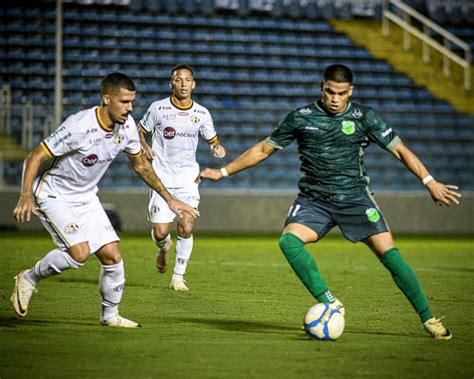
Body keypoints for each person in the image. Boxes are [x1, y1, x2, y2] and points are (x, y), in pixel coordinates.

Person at [198, 64, 461, 340]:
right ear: (321, 87)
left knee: (389, 254)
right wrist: (223, 171)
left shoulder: (364, 117)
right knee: (289, 241)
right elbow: (263, 150)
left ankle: (428, 318)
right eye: (330, 92)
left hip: (355, 198)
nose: (335, 99)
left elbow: (401, 151)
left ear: (351, 91)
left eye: (342, 93)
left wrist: (429, 181)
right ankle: (330, 301)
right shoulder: (301, 118)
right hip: (314, 200)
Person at [11, 72, 199, 328]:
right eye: (123, 102)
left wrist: (170, 199)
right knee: (79, 253)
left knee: (112, 256)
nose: (129, 108)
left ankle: (109, 316)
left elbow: (142, 167)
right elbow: (35, 157)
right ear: (106, 99)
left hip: (87, 197)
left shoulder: (128, 127)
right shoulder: (79, 125)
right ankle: (29, 279)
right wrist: (25, 196)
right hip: (55, 194)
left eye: (131, 102)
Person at [138, 63, 225, 291]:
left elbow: (212, 140)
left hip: (188, 179)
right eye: (179, 79)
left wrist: (217, 147)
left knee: (186, 226)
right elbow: (139, 131)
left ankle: (178, 277)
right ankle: (163, 249)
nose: (183, 84)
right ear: (172, 84)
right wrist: (144, 146)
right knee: (161, 232)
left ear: (193, 84)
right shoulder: (158, 108)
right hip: (162, 179)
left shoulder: (202, 113)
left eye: (188, 80)